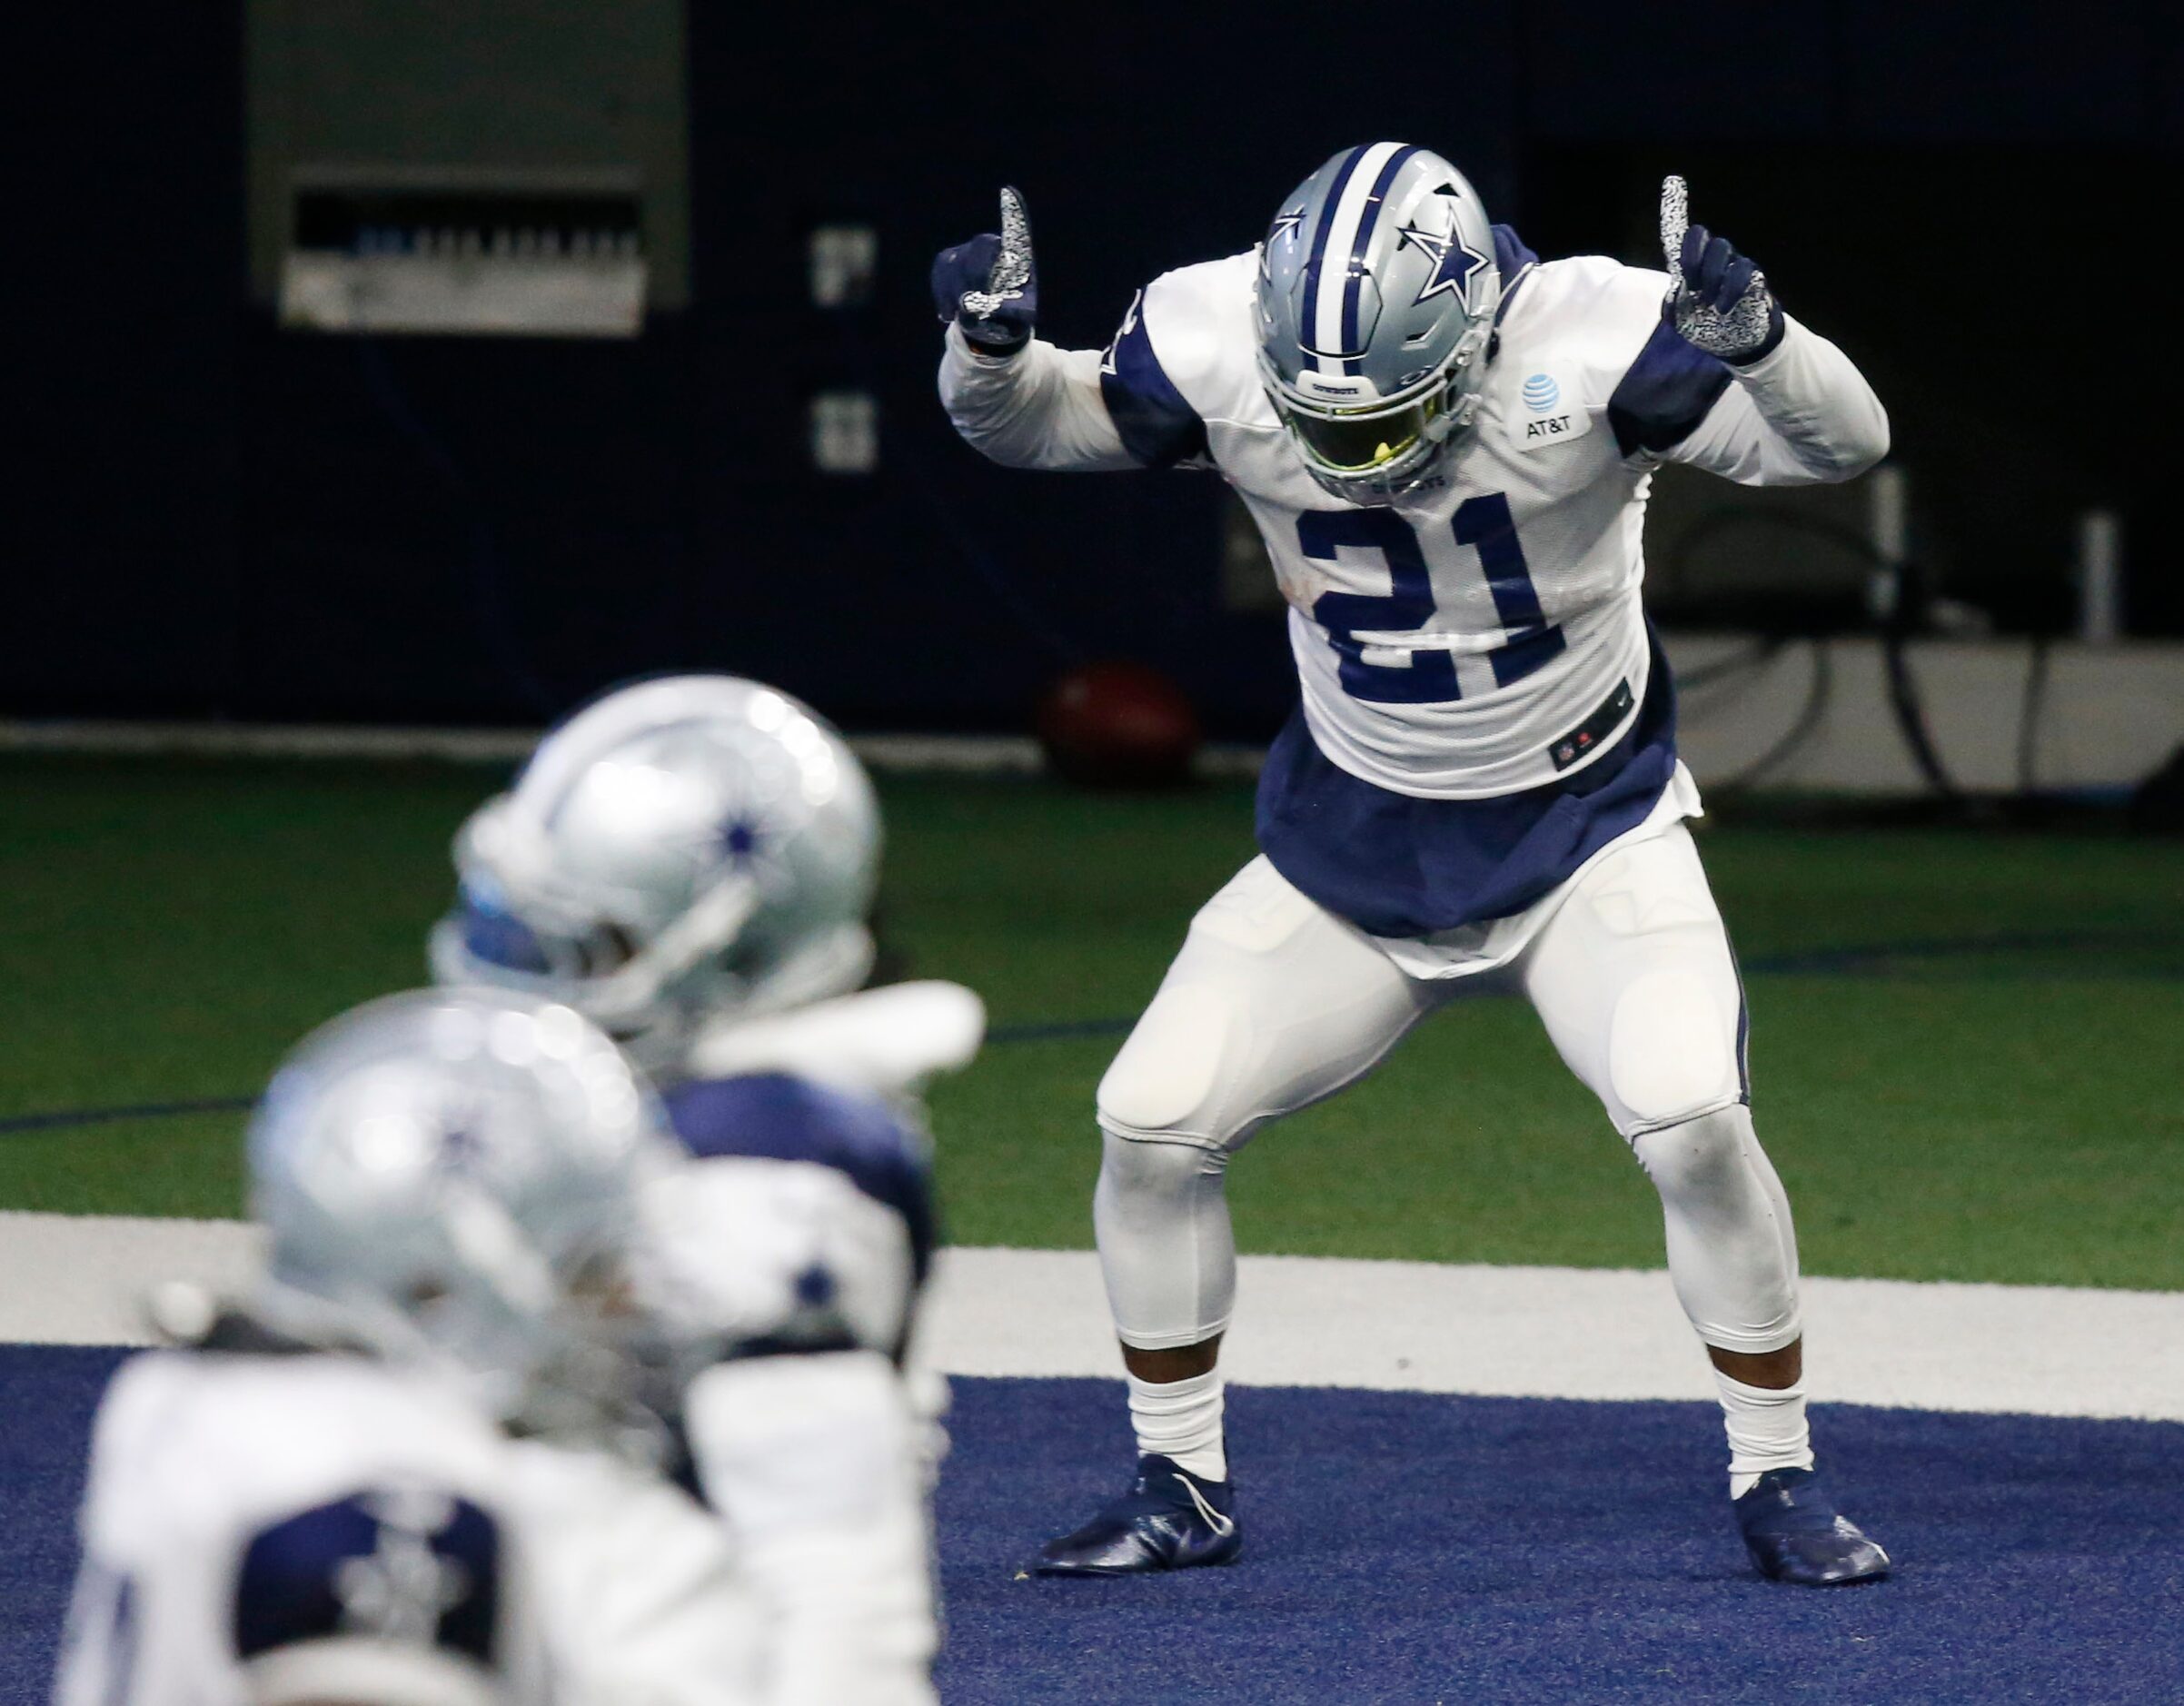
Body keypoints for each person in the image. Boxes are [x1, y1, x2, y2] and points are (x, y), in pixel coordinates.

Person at [932, 146, 1891, 1586]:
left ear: (1474, 333)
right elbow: (1037, 425)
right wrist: (985, 353)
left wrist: (1762, 339)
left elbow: (1839, 444)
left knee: (1692, 1114)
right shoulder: (1213, 334)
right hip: (1354, 841)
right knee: (1148, 1119)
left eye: (1385, 414)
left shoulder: (1596, 336)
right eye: (1324, 416)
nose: (1355, 453)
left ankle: (1779, 1470)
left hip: (1586, 831)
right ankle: (1178, 1475)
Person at [431, 673, 981, 1700]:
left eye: (590, 937)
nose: (534, 963)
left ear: (730, 940)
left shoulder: (774, 1174)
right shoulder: (698, 1107)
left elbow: (832, 1583)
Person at [53, 987, 671, 1706]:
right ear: (440, 1287)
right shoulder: (391, 1515)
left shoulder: (190, 1389)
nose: (617, 1301)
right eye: (585, 1270)